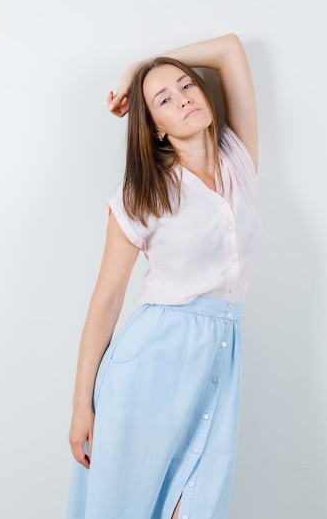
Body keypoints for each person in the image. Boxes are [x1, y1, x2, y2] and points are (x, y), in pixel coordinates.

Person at [65, 34, 261, 519]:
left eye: (186, 85)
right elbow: (107, 300)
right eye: (164, 100)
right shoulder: (142, 191)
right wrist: (81, 407)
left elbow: (231, 49)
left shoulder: (240, 159)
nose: (184, 98)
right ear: (154, 128)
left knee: (196, 506)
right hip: (152, 366)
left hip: (220, 358)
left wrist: (138, 68)